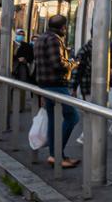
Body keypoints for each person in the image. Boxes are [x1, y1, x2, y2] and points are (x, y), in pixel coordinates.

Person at [33, 15, 79, 168]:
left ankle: (55, 155)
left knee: (53, 120)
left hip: (44, 84)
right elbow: (57, 64)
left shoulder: (41, 38)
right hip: (56, 85)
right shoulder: (54, 39)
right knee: (72, 116)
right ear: (63, 27)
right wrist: (72, 63)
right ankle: (57, 154)